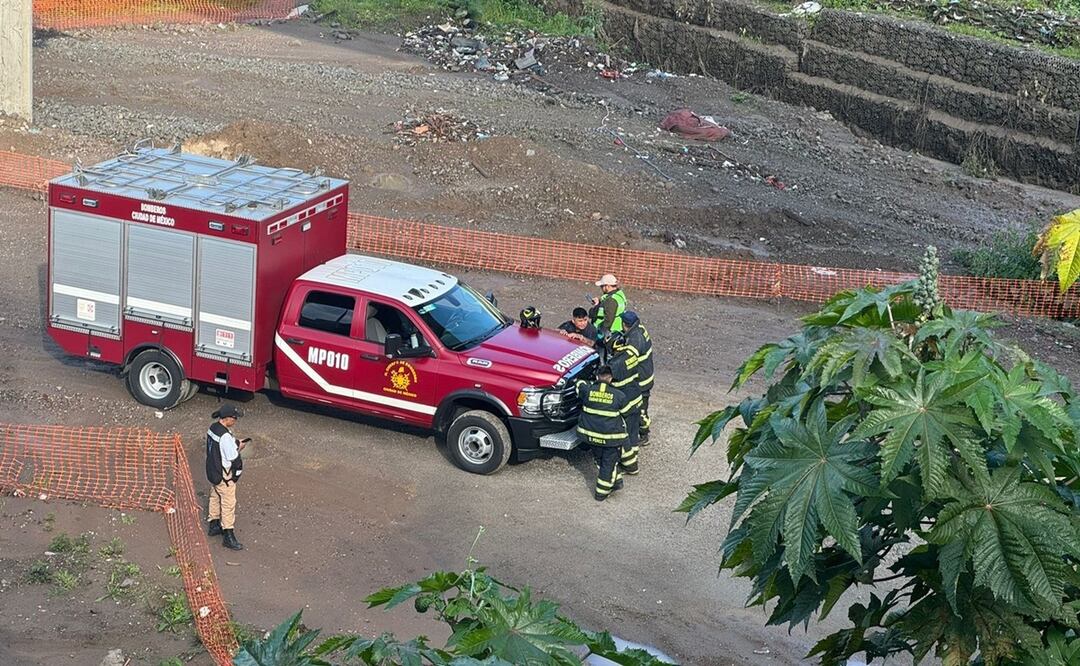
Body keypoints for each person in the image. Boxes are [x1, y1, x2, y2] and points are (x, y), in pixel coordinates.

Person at [576, 366, 631, 501]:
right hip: (610, 439)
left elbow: (579, 385)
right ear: (611, 378)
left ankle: (617, 482)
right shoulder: (619, 395)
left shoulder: (587, 391)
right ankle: (601, 493)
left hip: (591, 437)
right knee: (608, 463)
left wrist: (585, 382)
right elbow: (628, 412)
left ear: (597, 377)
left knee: (602, 460)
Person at [205, 403, 247, 551]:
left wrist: (233, 442)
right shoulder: (225, 437)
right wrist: (238, 447)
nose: (235, 421)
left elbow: (219, 448)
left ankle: (214, 525)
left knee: (215, 497)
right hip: (224, 475)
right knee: (228, 504)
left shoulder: (213, 429)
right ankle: (228, 535)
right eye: (234, 418)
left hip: (213, 472)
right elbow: (233, 457)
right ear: (227, 418)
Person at [606, 333, 642, 476]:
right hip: (636, 397)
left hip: (625, 402)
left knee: (624, 435)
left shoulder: (614, 364)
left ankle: (630, 464)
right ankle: (634, 456)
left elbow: (606, 379)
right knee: (633, 431)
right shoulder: (631, 353)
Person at [621, 311, 654, 445]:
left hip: (641, 381)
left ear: (625, 324)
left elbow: (629, 359)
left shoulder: (634, 340)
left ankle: (644, 434)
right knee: (641, 408)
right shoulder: (640, 329)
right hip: (646, 375)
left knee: (640, 409)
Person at [589, 274, 627, 341]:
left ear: (607, 286)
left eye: (602, 286)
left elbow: (608, 320)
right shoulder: (620, 295)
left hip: (607, 333)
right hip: (617, 330)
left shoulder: (611, 300)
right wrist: (600, 301)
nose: (601, 288)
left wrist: (600, 333)